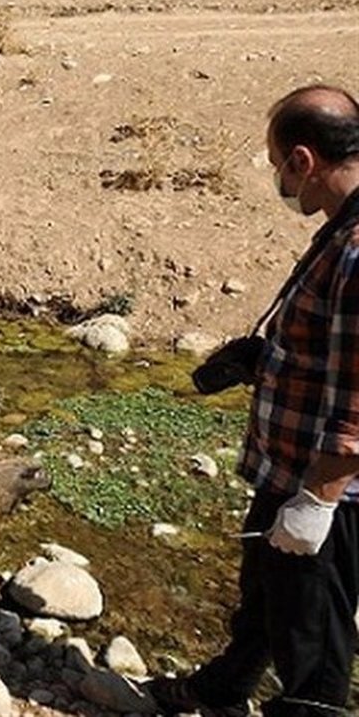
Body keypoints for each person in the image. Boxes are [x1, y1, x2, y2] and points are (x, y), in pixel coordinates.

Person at [147, 85, 359, 716]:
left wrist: (317, 502)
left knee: (314, 647)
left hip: (325, 487)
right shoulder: (341, 228)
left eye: (276, 165)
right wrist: (263, 359)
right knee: (267, 601)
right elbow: (332, 352)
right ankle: (223, 688)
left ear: (303, 160)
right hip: (289, 470)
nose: (277, 179)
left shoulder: (357, 247)